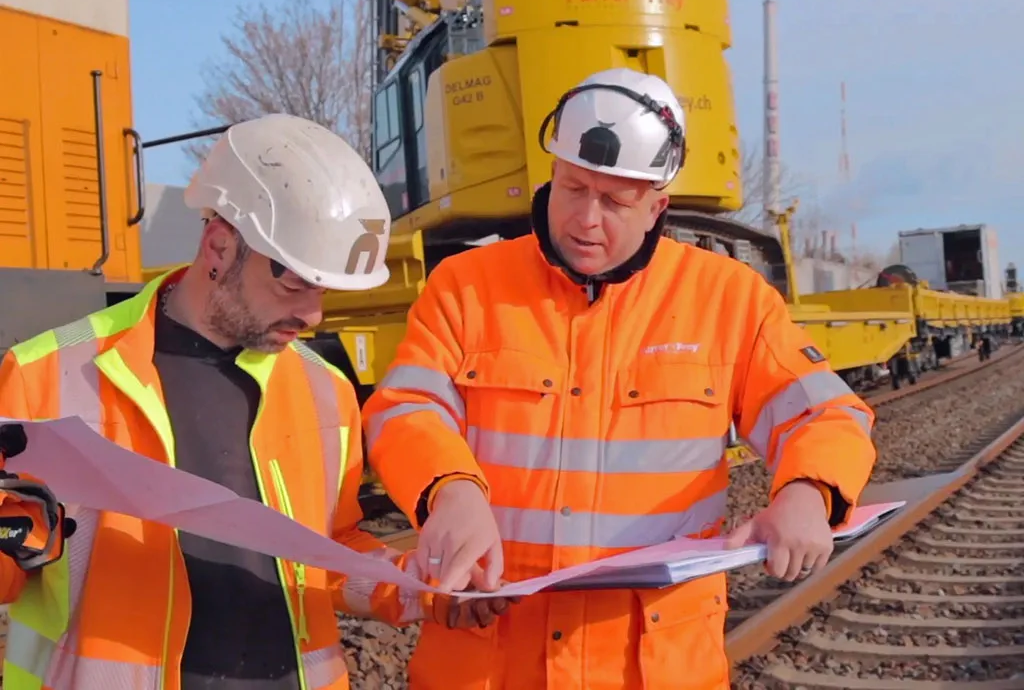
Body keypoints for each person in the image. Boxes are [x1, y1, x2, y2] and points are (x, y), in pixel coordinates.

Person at [362, 68, 878, 689]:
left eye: (614, 202)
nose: (586, 219)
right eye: (573, 188)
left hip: (653, 667)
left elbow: (827, 415)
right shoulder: (466, 287)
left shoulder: (730, 300)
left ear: (658, 206)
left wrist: (806, 495)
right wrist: (449, 491)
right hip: (487, 659)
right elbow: (406, 407)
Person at [0, 113, 479, 690]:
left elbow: (331, 552)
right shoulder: (48, 375)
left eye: (321, 290)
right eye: (292, 284)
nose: (312, 315)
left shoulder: (324, 390)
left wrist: (415, 586)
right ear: (220, 247)